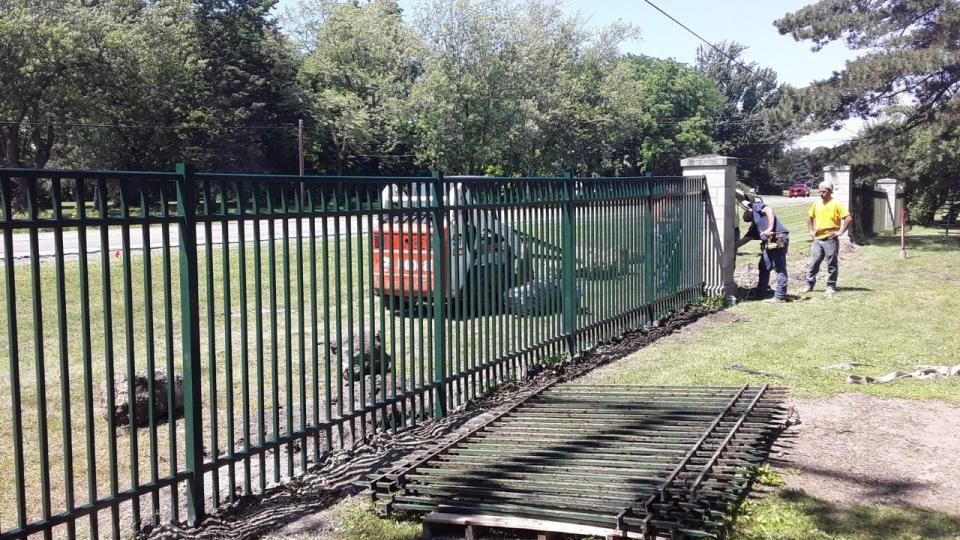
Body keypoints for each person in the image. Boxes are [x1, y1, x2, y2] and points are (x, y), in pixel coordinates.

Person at [804, 180, 853, 297]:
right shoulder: (817, 203)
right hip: (817, 239)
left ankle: (831, 286)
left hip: (830, 239)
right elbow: (810, 217)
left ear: (830, 191)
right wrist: (811, 231)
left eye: (824, 191)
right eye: (820, 191)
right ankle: (809, 285)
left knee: (831, 263)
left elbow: (848, 218)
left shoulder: (836, 204)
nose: (821, 194)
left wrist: (840, 231)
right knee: (814, 262)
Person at [736, 198, 790, 303]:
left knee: (779, 268)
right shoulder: (754, 226)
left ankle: (780, 296)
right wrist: (728, 249)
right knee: (764, 266)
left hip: (778, 237)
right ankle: (761, 293)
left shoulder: (756, 207)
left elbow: (769, 210)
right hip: (768, 244)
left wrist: (770, 228)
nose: (743, 217)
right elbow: (743, 240)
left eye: (744, 214)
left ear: (748, 210)